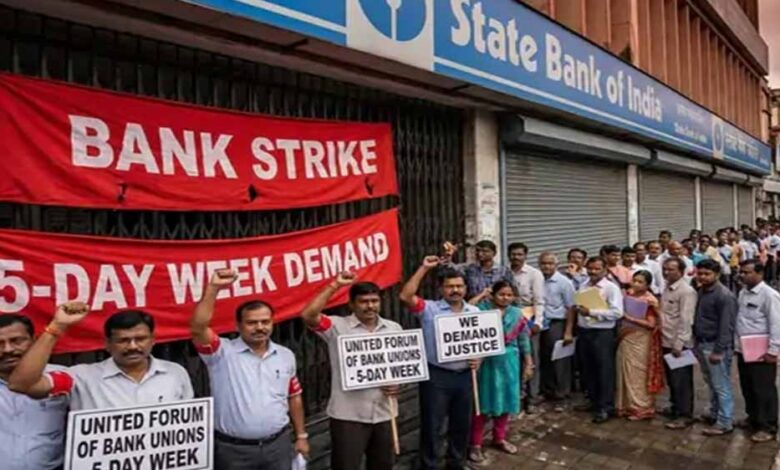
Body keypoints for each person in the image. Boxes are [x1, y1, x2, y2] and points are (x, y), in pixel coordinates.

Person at [190, 270, 308, 470]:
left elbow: (294, 395)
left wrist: (301, 436)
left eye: (265, 322)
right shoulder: (221, 353)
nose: (260, 327)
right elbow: (198, 328)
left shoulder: (285, 355)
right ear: (238, 325)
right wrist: (213, 288)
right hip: (233, 451)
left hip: (278, 446)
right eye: (252, 323)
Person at [301, 271, 400, 470]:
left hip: (385, 413)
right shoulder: (337, 326)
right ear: (352, 304)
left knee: (383, 465)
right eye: (364, 301)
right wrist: (335, 285)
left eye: (374, 301)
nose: (370, 306)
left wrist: (398, 384)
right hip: (348, 416)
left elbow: (401, 365)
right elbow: (308, 315)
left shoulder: (394, 328)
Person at [9, 305, 193, 410]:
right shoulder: (79, 378)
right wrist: (57, 326)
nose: (133, 346)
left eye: (140, 339)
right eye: (123, 340)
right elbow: (22, 384)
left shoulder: (175, 373)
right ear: (107, 344)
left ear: (153, 340)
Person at [399, 257, 481, 470]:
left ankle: (456, 463)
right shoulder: (429, 309)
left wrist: (478, 360)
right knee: (432, 425)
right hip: (436, 377)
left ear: (466, 288)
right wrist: (424, 267)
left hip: (465, 376)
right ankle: (430, 465)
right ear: (441, 289)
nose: (455, 290)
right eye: (450, 286)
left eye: (459, 286)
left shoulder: (474, 312)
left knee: (462, 424)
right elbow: (405, 296)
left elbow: (482, 344)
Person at [466, 281, 533, 463]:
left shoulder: (517, 313)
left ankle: (499, 438)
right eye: (501, 294)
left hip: (509, 362)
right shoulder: (481, 310)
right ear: (493, 295)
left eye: (509, 295)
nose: (505, 298)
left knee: (506, 401)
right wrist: (482, 294)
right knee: (482, 403)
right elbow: (466, 309)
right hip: (486, 362)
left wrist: (528, 363)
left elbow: (524, 340)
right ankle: (475, 444)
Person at [0, 314, 68, 470]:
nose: (8, 349)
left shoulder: (62, 376)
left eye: (17, 341)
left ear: (34, 340)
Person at [573, 256, 624, 424]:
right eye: (590, 268)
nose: (593, 272)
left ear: (605, 270)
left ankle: (605, 406)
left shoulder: (611, 288)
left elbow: (617, 313)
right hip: (585, 331)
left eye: (597, 269)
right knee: (588, 369)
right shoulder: (583, 285)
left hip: (602, 333)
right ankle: (593, 400)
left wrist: (592, 312)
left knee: (604, 370)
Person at [735, 260, 780, 443]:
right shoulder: (743, 292)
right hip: (744, 348)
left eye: (747, 272)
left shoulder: (770, 295)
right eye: (741, 272)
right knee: (748, 386)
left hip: (762, 351)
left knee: (763, 389)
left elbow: (776, 324)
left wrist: (773, 350)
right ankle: (753, 417)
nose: (742, 275)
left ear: (759, 273)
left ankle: (768, 426)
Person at [693, 259, 738, 436]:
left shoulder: (724, 296)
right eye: (700, 273)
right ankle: (714, 412)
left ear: (717, 274)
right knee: (711, 382)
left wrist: (718, 350)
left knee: (721, 385)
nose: (703, 277)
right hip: (702, 342)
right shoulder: (702, 291)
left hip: (715, 346)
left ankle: (725, 421)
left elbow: (727, 326)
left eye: (707, 274)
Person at [615, 271, 664, 421]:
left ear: (647, 285)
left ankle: (642, 407)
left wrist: (629, 317)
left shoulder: (650, 300)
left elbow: (651, 324)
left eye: (640, 282)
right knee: (624, 370)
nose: (635, 284)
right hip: (626, 337)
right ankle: (626, 405)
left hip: (641, 338)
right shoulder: (627, 295)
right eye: (634, 280)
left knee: (638, 373)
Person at [660, 257, 698, 430]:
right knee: (672, 379)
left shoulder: (686, 291)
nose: (666, 272)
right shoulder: (667, 288)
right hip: (665, 340)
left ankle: (684, 415)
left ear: (681, 272)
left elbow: (686, 319)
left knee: (681, 380)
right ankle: (675, 407)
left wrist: (679, 343)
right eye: (665, 269)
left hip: (678, 344)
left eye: (671, 269)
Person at [508, 242, 544, 412]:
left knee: (531, 358)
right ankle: (515, 397)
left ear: (525, 256)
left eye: (519, 254)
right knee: (513, 359)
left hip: (529, 319)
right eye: (513, 254)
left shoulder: (534, 274)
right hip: (510, 319)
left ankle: (532, 398)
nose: (516, 257)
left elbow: (539, 300)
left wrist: (538, 322)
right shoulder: (505, 272)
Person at [538, 252, 576, 406]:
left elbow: (571, 307)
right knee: (544, 358)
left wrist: (568, 331)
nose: (546, 266)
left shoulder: (564, 282)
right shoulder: (538, 279)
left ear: (556, 265)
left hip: (557, 323)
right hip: (540, 323)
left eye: (550, 263)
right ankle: (548, 390)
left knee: (559, 359)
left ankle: (562, 393)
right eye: (543, 263)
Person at [444, 240, 515, 300]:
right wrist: (449, 255)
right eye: (478, 251)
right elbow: (450, 269)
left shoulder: (503, 271)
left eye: (485, 251)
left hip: (497, 307)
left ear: (494, 253)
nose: (480, 254)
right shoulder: (469, 269)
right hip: (475, 306)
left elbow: (513, 290)